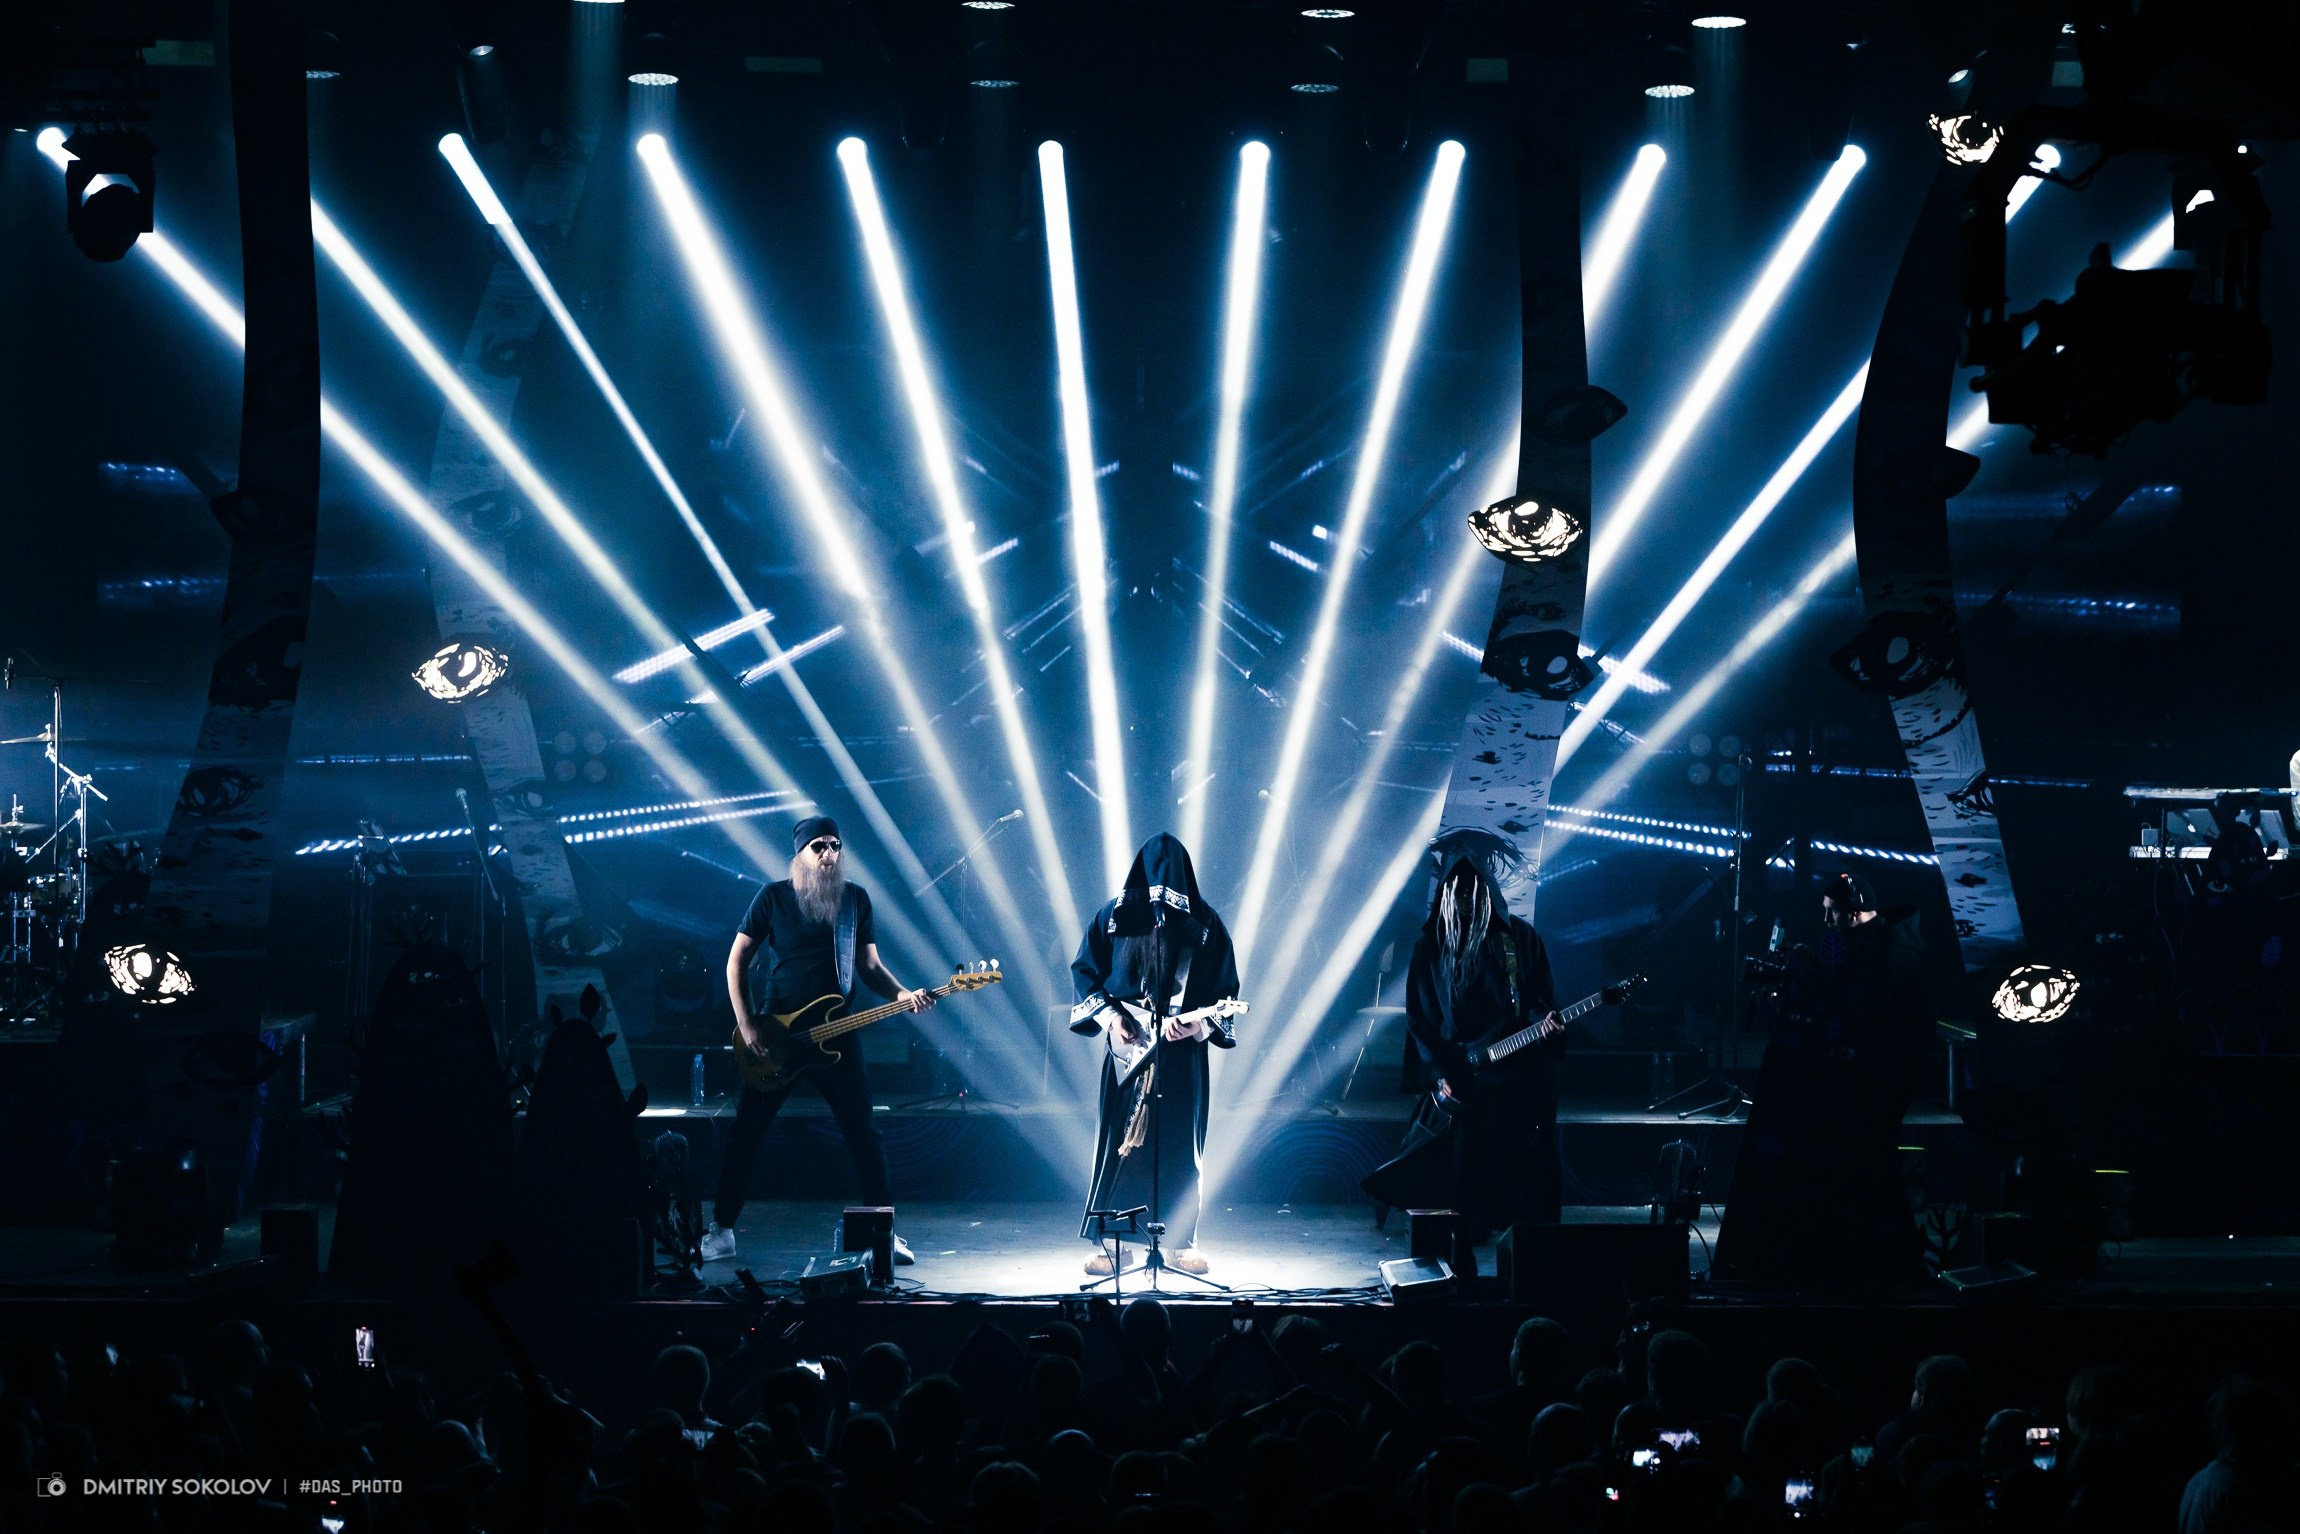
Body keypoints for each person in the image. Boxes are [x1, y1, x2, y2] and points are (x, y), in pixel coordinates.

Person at [700, 817, 933, 1264]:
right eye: (819, 847)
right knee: (746, 1134)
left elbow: (869, 967)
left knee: (864, 1135)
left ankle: (882, 1232)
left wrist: (904, 995)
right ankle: (723, 1229)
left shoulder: (855, 901)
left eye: (835, 846)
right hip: (777, 1036)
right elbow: (736, 963)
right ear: (800, 854)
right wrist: (748, 1026)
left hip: (836, 1034)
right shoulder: (772, 897)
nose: (829, 854)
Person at [1712, 872, 1930, 1288]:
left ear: (1854, 910)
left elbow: (1864, 1018)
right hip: (1858, 1089)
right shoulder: (1875, 949)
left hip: (1868, 1093)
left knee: (1866, 1182)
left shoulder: (1891, 956)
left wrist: (1811, 980)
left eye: (1832, 913)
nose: (1826, 921)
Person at [1364, 851, 1565, 1239]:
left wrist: (1547, 1026)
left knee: (1526, 1154)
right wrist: (1440, 1075)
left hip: (1515, 1072)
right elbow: (1420, 1020)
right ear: (1447, 894)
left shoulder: (1519, 940)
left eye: (1474, 891)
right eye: (1459, 892)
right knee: (1451, 1158)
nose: (1466, 900)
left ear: (1487, 892)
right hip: (1461, 1070)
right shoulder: (1431, 946)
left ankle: (1527, 1237)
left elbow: (1543, 1000)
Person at [1069, 833, 1239, 1277]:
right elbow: (1085, 973)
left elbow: (1226, 991)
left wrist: (1198, 1024)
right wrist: (1111, 1019)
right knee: (1121, 1147)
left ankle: (1180, 1242)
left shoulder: (1205, 924)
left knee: (1182, 1144)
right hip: (1128, 1053)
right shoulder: (1112, 917)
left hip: (1181, 1057)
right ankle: (1117, 1244)